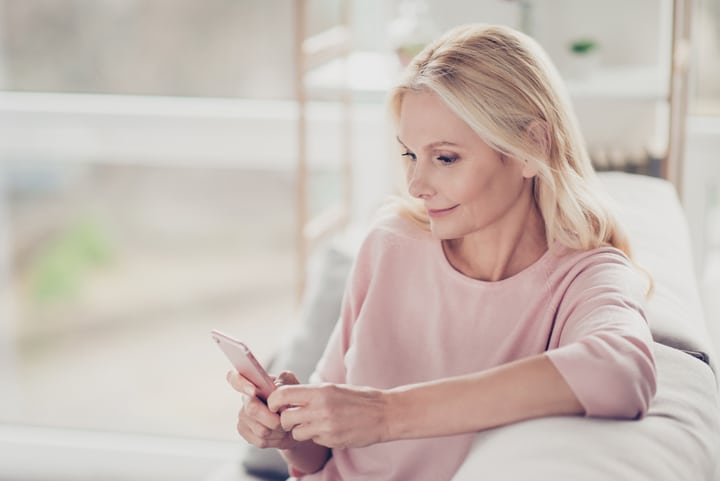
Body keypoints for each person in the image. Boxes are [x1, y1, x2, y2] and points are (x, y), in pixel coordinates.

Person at [227, 23, 657, 480]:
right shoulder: (390, 243)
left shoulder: (586, 276)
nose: (416, 185)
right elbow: (322, 457)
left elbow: (621, 373)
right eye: (410, 155)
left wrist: (386, 415)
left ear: (532, 147)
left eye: (445, 158)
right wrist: (291, 431)